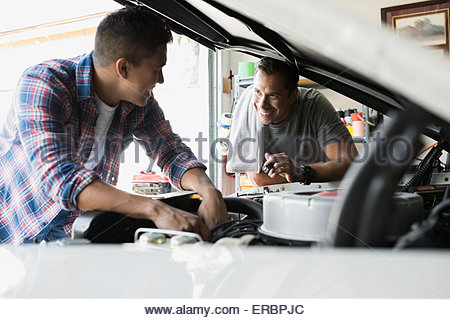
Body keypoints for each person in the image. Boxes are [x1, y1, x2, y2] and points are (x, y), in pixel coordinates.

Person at [0, 7, 227, 245]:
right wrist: (156, 210)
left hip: (69, 236)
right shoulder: (45, 84)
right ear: (123, 68)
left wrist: (210, 192)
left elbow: (171, 152)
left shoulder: (139, 104)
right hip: (12, 230)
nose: (161, 80)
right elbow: (62, 180)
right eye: (156, 69)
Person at [227, 57, 358, 187]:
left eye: (273, 95)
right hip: (272, 198)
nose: (262, 104)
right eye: (258, 92)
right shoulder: (247, 108)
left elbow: (349, 162)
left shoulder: (313, 104)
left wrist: (300, 172)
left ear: (293, 96)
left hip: (316, 193)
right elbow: (258, 179)